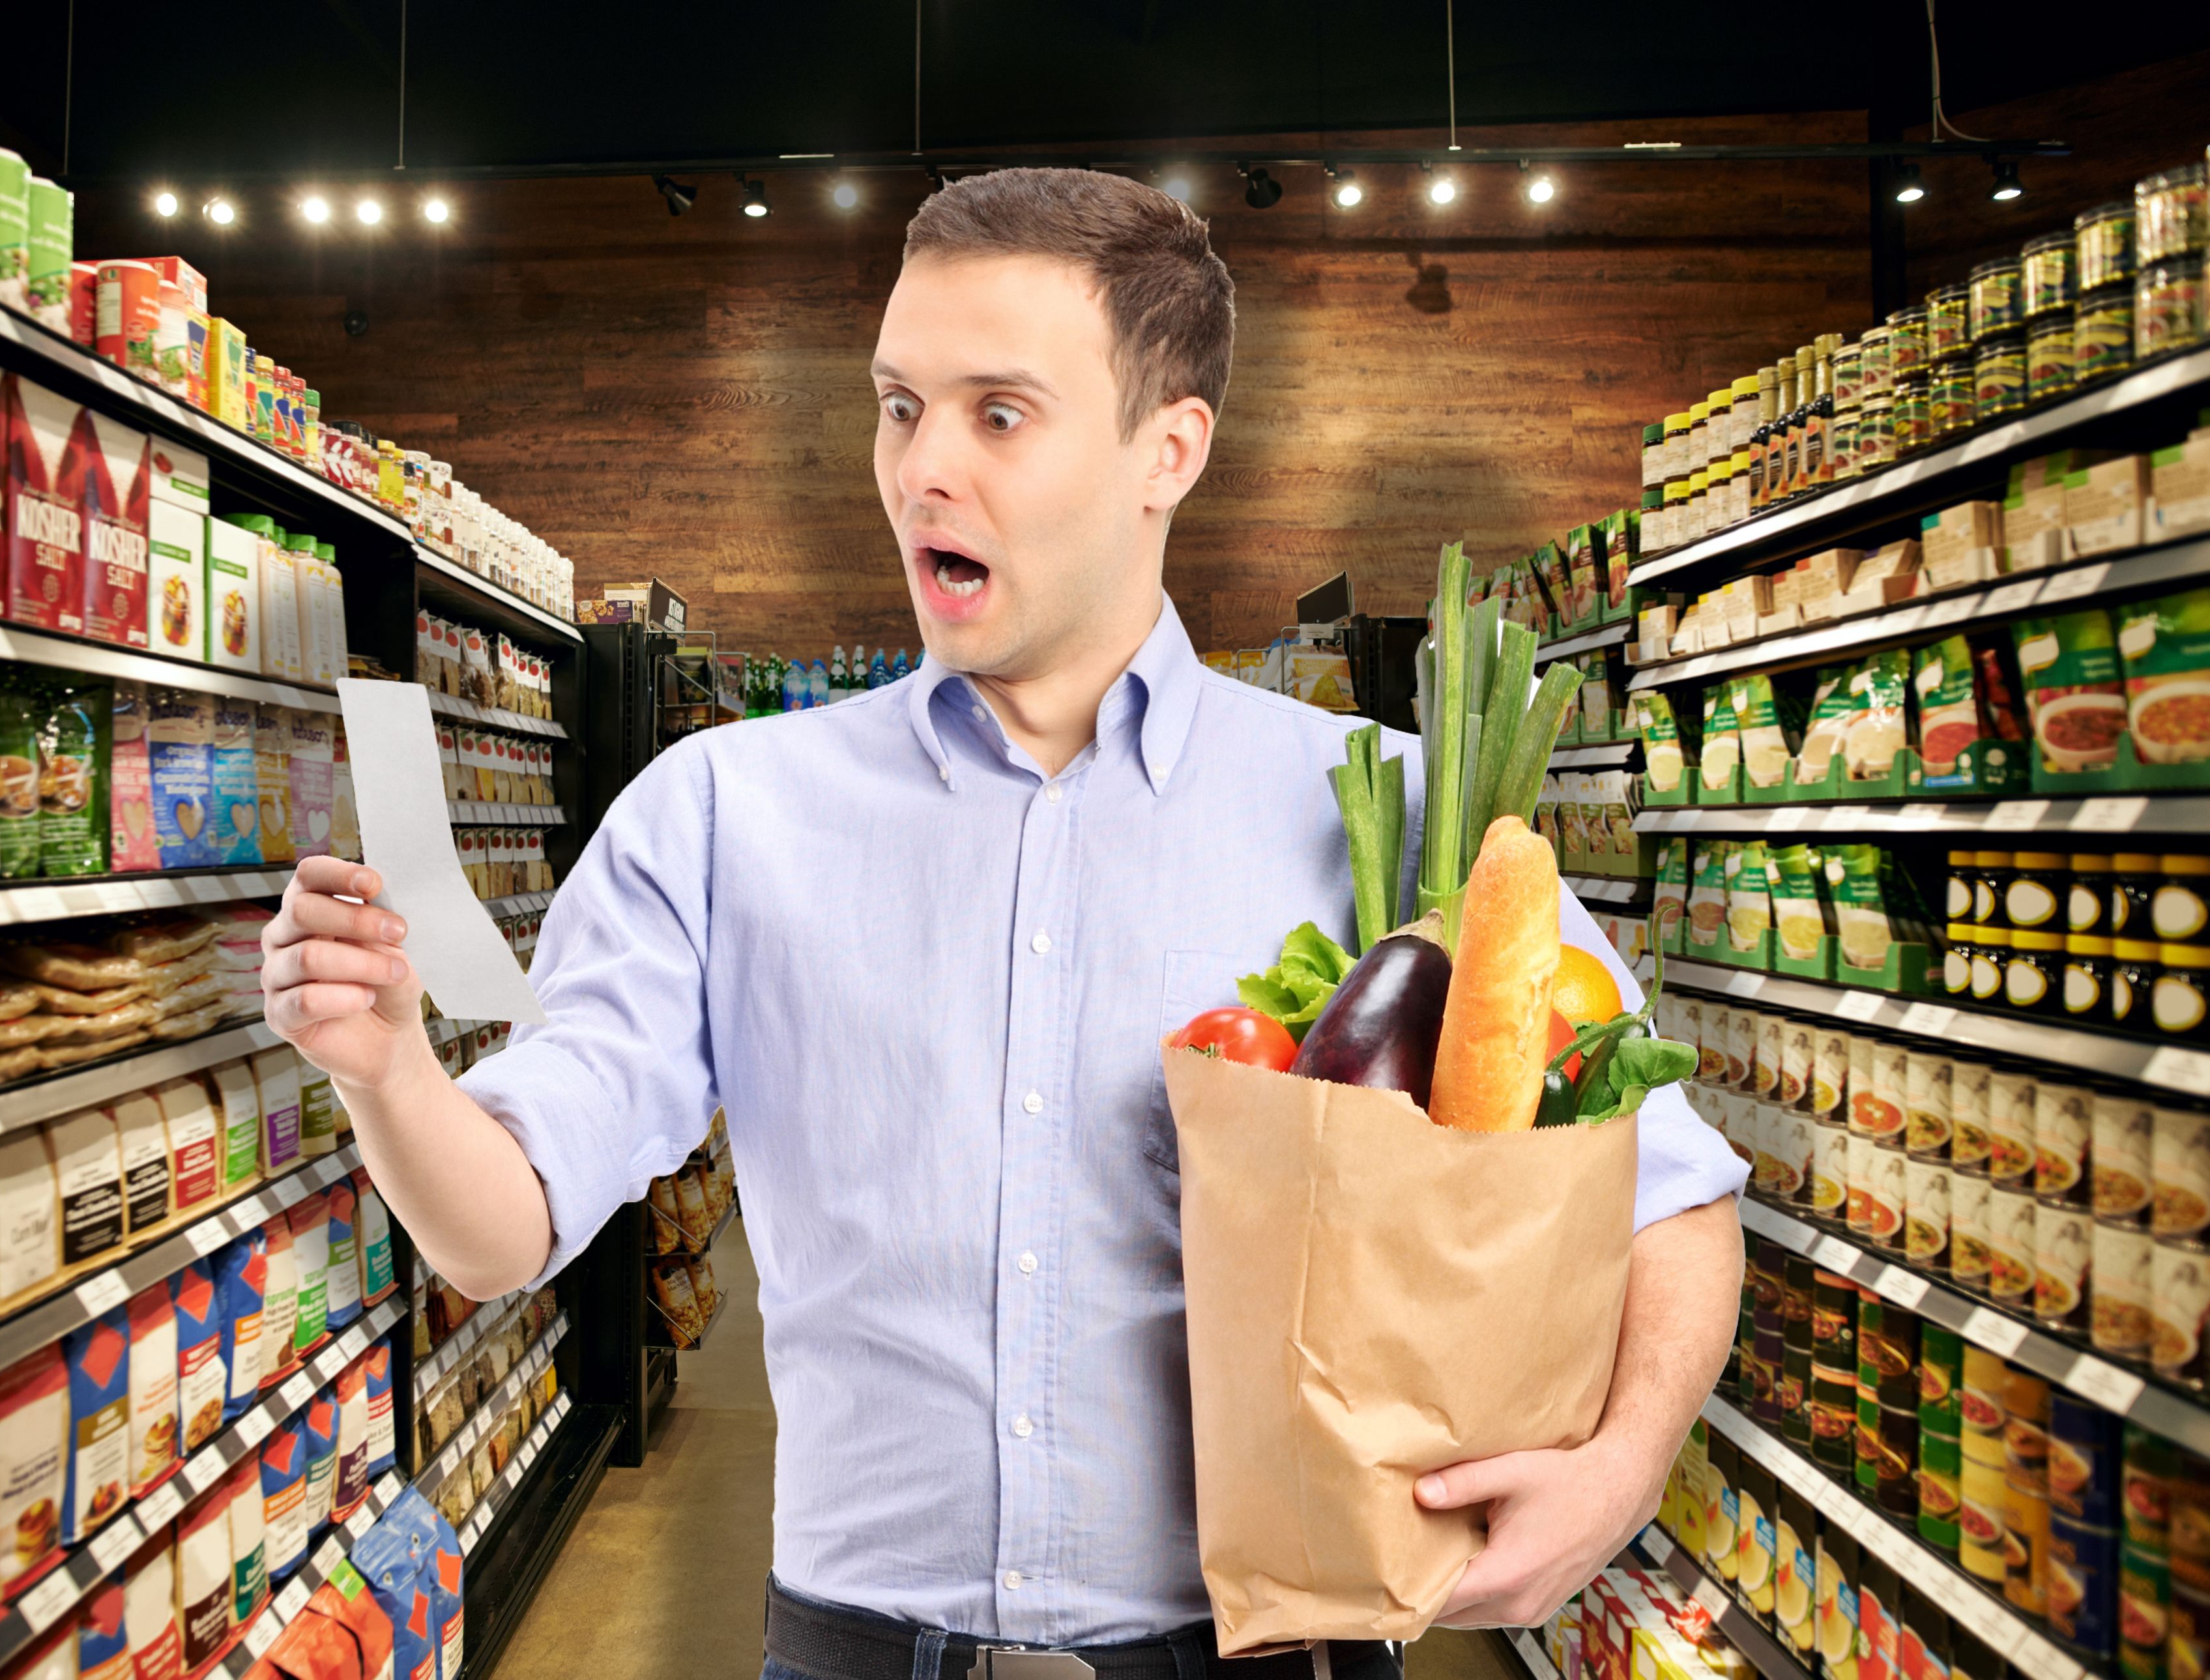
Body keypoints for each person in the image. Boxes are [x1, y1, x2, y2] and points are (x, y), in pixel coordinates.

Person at [263, 167, 1747, 1679]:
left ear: (1170, 448)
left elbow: (1671, 1188)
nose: (921, 470)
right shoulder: (721, 812)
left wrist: (1620, 1466)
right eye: (900, 405)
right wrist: (385, 1068)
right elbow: (506, 1221)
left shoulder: (1387, 813)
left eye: (999, 412)